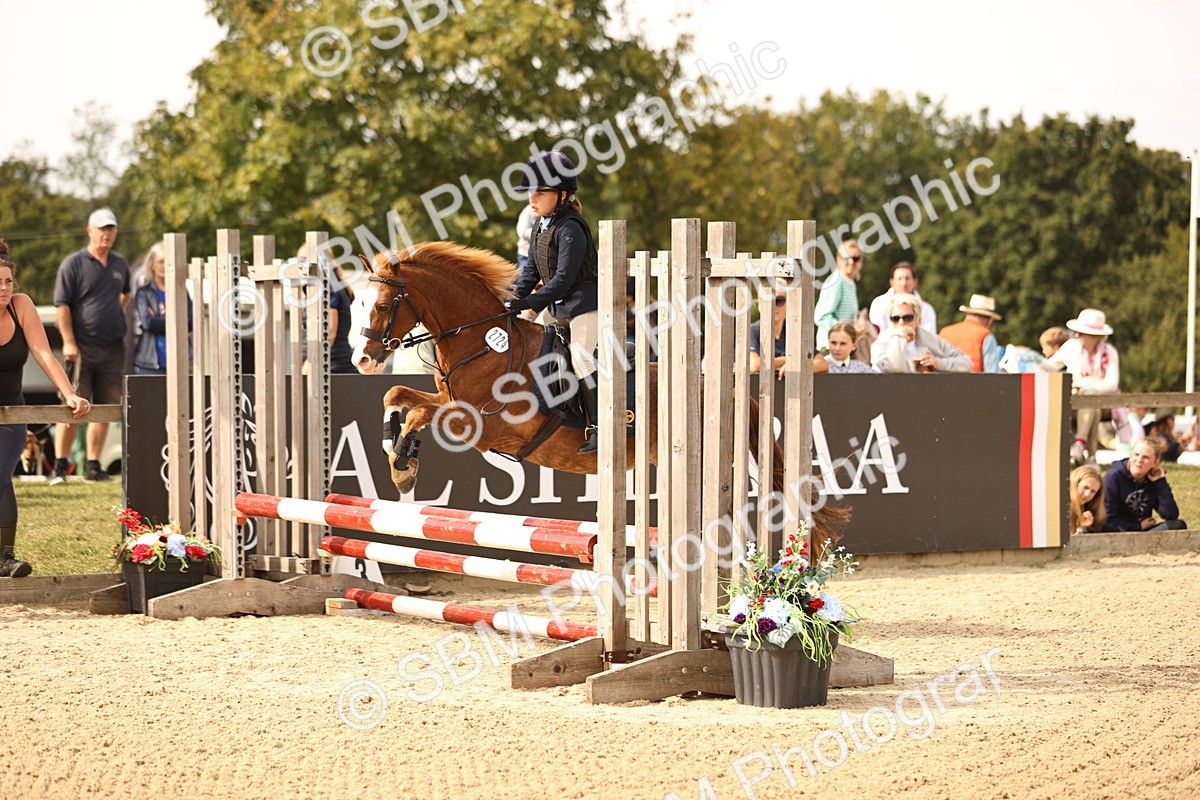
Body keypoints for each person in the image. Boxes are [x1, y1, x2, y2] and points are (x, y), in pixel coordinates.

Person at [0, 239, 92, 576]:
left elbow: (42, 352)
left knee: (0, 476)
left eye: (8, 281)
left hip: (12, 413)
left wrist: (69, 393)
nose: (4, 289)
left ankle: (4, 558)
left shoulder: (20, 306)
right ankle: (3, 559)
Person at [507, 150, 601, 454]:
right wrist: (512, 300)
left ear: (562, 195)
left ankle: (598, 426)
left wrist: (529, 303)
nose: (532, 199)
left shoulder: (572, 227)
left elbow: (562, 279)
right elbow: (530, 271)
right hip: (558, 305)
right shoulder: (540, 225)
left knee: (581, 358)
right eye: (531, 193)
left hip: (584, 305)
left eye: (540, 193)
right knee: (528, 342)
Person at [52, 208, 132, 483]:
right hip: (82, 348)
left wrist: (110, 315)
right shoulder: (73, 264)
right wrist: (69, 341)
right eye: (102, 229)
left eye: (111, 228)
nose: (107, 233)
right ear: (90, 231)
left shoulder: (120, 264)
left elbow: (125, 294)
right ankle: (61, 465)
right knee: (72, 405)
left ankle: (93, 465)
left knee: (105, 407)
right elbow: (62, 306)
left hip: (112, 348)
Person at [1039, 308, 1119, 464]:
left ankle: (1080, 445)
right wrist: (1027, 359)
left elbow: (1111, 384)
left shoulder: (1109, 352)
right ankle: (1090, 455)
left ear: (1094, 336)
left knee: (1091, 402)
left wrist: (1087, 387)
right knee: (1091, 407)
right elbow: (1048, 366)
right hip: (1075, 401)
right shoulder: (1071, 347)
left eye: (1081, 333)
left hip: (1103, 403)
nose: (1076, 335)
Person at [871, 293, 971, 374]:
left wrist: (937, 363)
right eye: (895, 318)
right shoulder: (881, 343)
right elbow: (895, 367)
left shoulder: (932, 340)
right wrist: (900, 334)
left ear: (918, 320)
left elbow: (966, 363)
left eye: (907, 318)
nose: (901, 322)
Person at [132, 243, 193, 375]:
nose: (165, 266)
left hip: (180, 361)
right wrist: (177, 320)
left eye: (169, 262)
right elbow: (148, 323)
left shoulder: (182, 292)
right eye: (161, 261)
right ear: (152, 264)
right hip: (150, 362)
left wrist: (159, 320)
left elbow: (190, 322)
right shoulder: (144, 293)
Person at [1102, 438, 1187, 531]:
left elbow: (1170, 515)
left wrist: (1161, 482)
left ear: (1155, 463)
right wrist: (1137, 527)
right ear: (1130, 455)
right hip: (1119, 530)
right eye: (1136, 454)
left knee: (1178, 525)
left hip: (1143, 532)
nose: (1139, 460)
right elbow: (1107, 518)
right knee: (1106, 526)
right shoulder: (1113, 476)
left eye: (1145, 457)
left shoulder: (1153, 479)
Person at [813, 239, 862, 350]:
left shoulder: (850, 283)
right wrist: (846, 331)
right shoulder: (836, 281)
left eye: (855, 258)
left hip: (843, 348)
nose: (851, 262)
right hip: (830, 347)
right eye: (846, 258)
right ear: (838, 259)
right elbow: (821, 316)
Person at [867, 262, 937, 335]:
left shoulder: (927, 309)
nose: (904, 283)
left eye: (907, 278)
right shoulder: (879, 304)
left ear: (915, 281)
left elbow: (929, 339)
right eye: (899, 279)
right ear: (891, 281)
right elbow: (876, 335)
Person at [939, 294, 1002, 373]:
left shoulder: (944, 332)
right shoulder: (986, 336)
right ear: (989, 320)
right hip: (974, 383)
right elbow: (992, 373)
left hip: (944, 383)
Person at [1069, 464, 1106, 534]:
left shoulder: (1090, 511)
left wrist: (1083, 527)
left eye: (1093, 491)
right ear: (1075, 483)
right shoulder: (1060, 507)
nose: (1087, 494)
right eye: (1085, 487)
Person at [515, 205, 537, 272]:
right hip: (526, 255)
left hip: (542, 256)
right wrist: (543, 235)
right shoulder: (528, 211)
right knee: (525, 279)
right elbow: (523, 231)